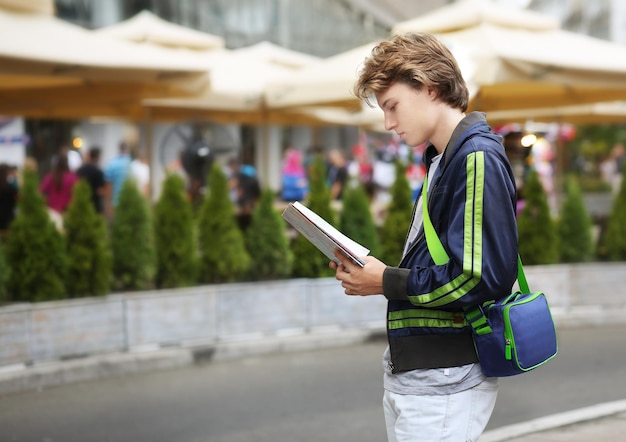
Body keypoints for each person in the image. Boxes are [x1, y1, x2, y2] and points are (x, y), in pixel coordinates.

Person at [330, 33, 519, 442]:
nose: (388, 123)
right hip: (424, 375)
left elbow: (480, 277)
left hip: (446, 380)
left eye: (392, 106)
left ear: (429, 86)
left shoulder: (474, 157)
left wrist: (386, 280)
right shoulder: (443, 159)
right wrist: (376, 274)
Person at [104, 141, 132, 216]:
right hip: (131, 202)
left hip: (116, 203)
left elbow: (108, 186)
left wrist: (108, 205)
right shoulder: (133, 164)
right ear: (128, 150)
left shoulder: (111, 164)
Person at [76, 147, 106, 213]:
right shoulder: (98, 171)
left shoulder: (80, 170)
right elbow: (100, 191)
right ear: (98, 157)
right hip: (94, 205)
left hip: (81, 203)